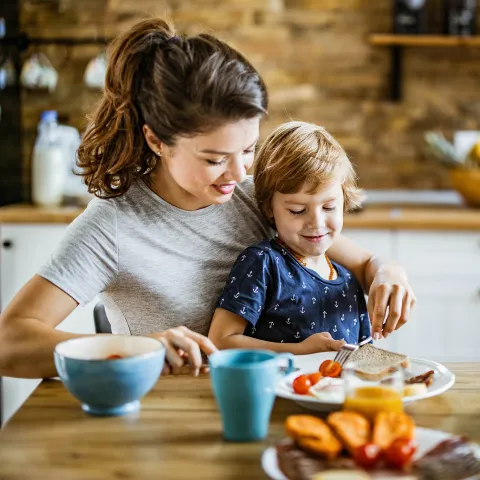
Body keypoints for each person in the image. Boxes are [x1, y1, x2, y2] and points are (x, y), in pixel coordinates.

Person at [0, 18, 415, 380]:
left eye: (248, 150)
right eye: (215, 159)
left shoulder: (254, 198)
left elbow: (361, 263)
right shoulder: (113, 226)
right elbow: (9, 342)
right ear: (157, 141)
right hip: (170, 423)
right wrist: (138, 350)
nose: (239, 174)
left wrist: (389, 272)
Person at [209, 121, 374, 353]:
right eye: (297, 210)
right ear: (269, 209)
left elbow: (364, 357)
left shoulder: (349, 280)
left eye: (329, 207)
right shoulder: (262, 264)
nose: (316, 222)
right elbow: (221, 340)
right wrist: (299, 351)